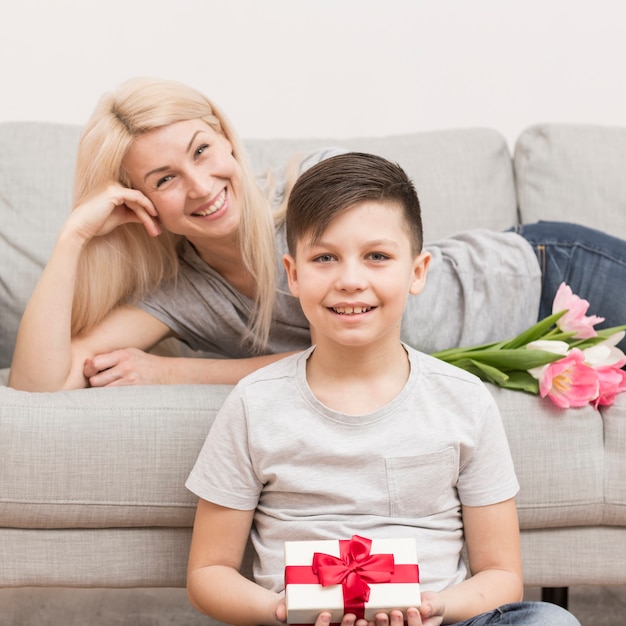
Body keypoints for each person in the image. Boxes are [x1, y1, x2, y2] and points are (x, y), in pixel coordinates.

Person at [8, 76, 626, 391]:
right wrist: (75, 237)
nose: (200, 185)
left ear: (226, 138)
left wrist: (172, 372)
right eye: (166, 178)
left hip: (553, 275)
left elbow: (360, 345)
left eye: (202, 150)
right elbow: (41, 383)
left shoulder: (318, 185)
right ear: (142, 202)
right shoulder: (183, 294)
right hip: (534, 350)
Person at [185, 152, 580, 626]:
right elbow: (209, 572)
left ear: (417, 271)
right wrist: (283, 609)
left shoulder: (463, 399)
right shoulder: (254, 403)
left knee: (549, 621)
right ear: (292, 274)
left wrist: (437, 606)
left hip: (440, 621)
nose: (351, 281)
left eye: (377, 257)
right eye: (325, 258)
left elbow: (500, 573)